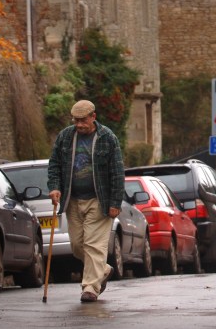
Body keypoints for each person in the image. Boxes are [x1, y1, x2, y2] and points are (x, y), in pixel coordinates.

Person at [48, 99, 125, 303]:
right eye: (76, 120)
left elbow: (117, 172)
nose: (80, 124)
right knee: (77, 245)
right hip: (72, 199)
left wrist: (115, 202)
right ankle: (103, 269)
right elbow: (54, 164)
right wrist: (55, 187)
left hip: (99, 199)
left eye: (83, 120)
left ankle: (90, 287)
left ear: (93, 117)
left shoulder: (107, 138)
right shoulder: (65, 137)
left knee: (93, 245)